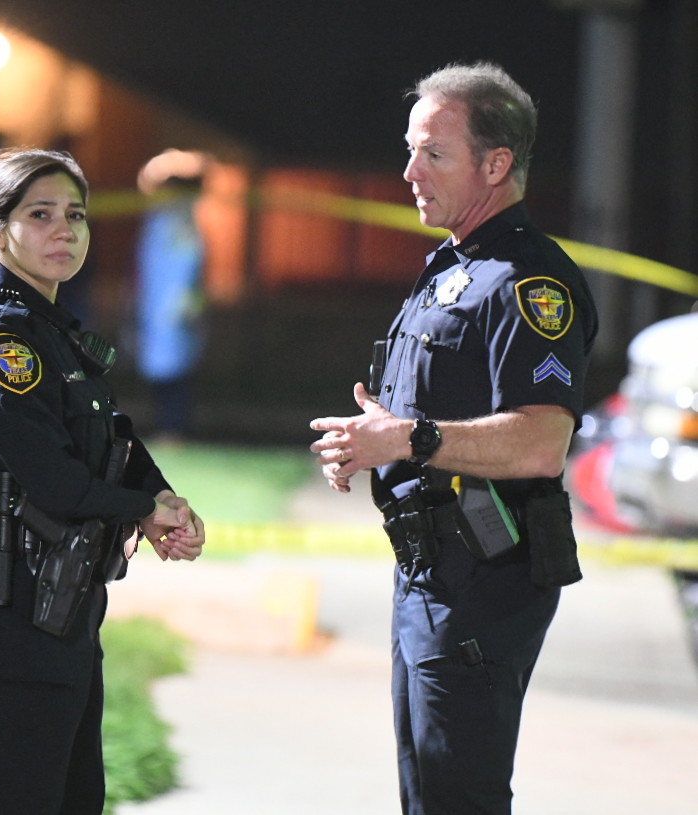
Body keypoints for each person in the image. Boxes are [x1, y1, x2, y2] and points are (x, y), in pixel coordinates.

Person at [310, 62, 598, 815]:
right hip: (429, 571)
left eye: (433, 154)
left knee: (457, 795)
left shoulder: (528, 282)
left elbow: (541, 442)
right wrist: (371, 439)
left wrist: (406, 436)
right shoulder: (454, 267)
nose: (409, 171)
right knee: (429, 790)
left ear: (496, 164)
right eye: (410, 150)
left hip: (484, 574)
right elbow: (419, 422)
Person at [0, 147, 205, 814]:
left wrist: (160, 496)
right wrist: (143, 508)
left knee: (70, 798)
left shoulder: (48, 329)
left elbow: (110, 434)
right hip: (15, 605)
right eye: (41, 214)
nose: (65, 230)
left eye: (75, 215)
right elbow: (52, 478)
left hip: (60, 605)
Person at [133, 149, 209, 441]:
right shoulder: (158, 221)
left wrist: (185, 304)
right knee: (160, 367)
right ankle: (165, 427)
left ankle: (173, 428)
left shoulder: (182, 223)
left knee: (177, 369)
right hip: (154, 307)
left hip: (176, 308)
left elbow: (190, 266)